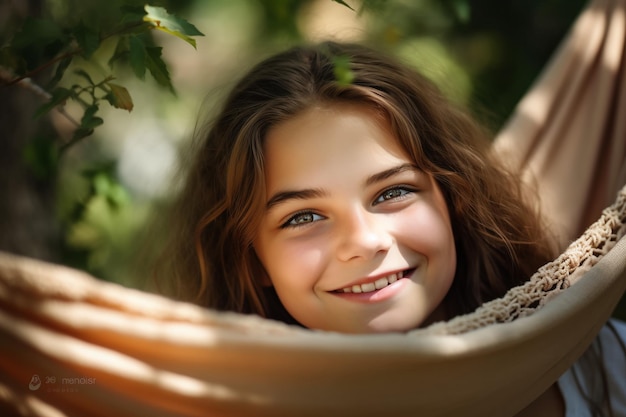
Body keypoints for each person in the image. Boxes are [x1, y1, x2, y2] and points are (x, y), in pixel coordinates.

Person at [157, 41, 625, 415]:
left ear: (454, 199)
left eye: (392, 192)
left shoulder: (607, 362)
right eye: (303, 217)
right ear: (251, 259)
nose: (363, 241)